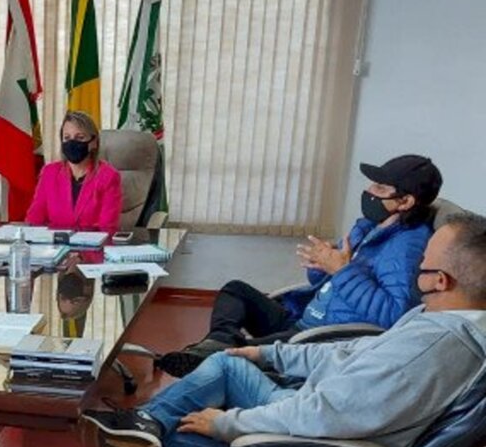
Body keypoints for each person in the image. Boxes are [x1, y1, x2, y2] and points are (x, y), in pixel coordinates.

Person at [64, 212, 486, 447]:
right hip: (320, 423)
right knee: (227, 365)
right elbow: (351, 352)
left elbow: (324, 415)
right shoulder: (441, 318)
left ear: (441, 280)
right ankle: (143, 421)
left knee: (164, 445)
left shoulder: (432, 348)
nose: (416, 268)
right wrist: (270, 354)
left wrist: (230, 424)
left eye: (424, 261)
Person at [157, 154, 444, 377]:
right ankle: (218, 341)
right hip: (305, 318)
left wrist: (342, 270)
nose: (369, 191)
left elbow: (393, 317)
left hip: (325, 338)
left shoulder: (407, 248)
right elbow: (330, 284)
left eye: (380, 187)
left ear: (405, 201)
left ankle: (216, 353)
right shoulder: (370, 225)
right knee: (235, 291)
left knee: (238, 355)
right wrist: (321, 267)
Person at [25, 110, 122, 235]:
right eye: (67, 137)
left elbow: (107, 228)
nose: (72, 142)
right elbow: (35, 219)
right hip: (54, 247)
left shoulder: (108, 176)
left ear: (93, 142)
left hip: (91, 249)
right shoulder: (49, 172)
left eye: (79, 137)